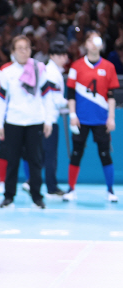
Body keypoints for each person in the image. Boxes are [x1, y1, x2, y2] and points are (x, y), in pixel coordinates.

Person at [0, 35, 56, 209]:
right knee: (12, 161)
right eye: (20, 48)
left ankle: (37, 196)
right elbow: (1, 100)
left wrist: (48, 120)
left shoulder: (39, 69)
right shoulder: (6, 72)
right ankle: (9, 196)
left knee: (35, 160)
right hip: (13, 122)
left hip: (35, 121)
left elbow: (47, 96)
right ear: (13, 52)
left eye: (27, 48)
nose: (24, 51)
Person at [64, 30, 120, 202]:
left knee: (105, 154)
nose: (94, 44)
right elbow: (71, 95)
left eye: (97, 40)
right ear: (86, 44)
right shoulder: (76, 67)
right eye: (91, 41)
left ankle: (110, 191)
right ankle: (71, 189)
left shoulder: (109, 67)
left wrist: (111, 117)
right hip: (80, 119)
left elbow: (111, 96)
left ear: (101, 44)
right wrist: (72, 115)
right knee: (76, 153)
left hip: (101, 119)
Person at [38, 42, 70, 196]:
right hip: (48, 120)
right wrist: (73, 103)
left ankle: (32, 182)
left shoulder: (53, 71)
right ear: (51, 56)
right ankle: (50, 187)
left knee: (45, 155)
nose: (63, 58)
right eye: (59, 55)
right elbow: (55, 100)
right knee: (49, 155)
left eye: (65, 55)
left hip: (48, 119)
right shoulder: (51, 72)